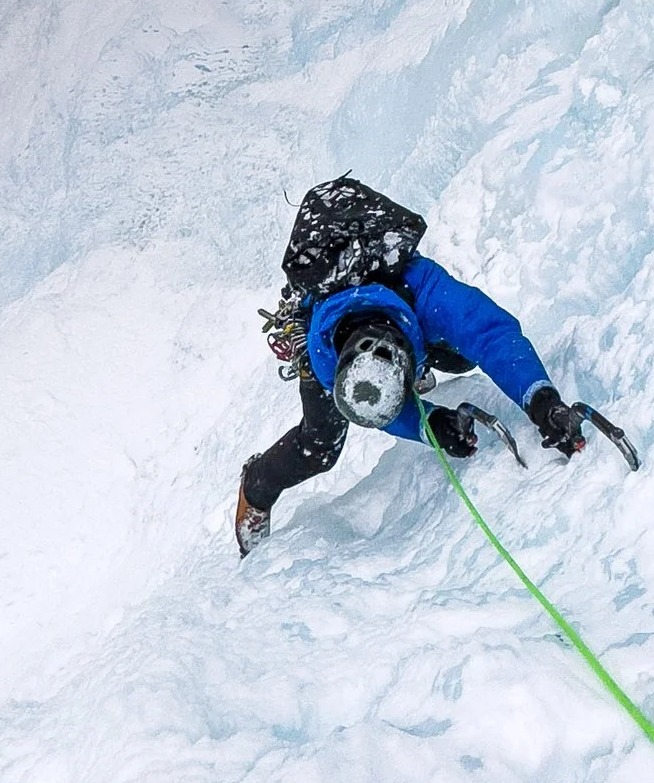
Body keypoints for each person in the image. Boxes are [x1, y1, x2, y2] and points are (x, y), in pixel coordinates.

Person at [235, 175, 608, 556]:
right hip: (338, 333)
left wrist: (540, 400)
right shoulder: (323, 355)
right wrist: (430, 424)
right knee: (320, 446)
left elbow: (492, 335)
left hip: (405, 318)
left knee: (463, 355)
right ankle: (257, 486)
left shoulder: (423, 288)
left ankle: (420, 363)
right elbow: (375, 411)